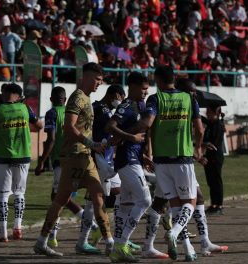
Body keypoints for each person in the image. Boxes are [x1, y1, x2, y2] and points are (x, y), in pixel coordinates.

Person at [33, 62, 114, 257]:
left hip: (84, 155)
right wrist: (91, 143)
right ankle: (42, 241)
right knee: (62, 199)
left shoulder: (86, 97)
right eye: (97, 80)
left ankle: (110, 242)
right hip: (75, 155)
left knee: (97, 196)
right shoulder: (78, 98)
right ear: (86, 77)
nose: (99, 84)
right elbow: (69, 127)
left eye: (101, 81)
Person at [130, 66, 204, 261]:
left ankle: (188, 250)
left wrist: (125, 133)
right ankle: (173, 232)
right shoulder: (189, 98)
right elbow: (200, 129)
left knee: (176, 206)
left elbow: (147, 124)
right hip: (182, 158)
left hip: (161, 161)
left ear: (159, 80)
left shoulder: (155, 99)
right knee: (191, 201)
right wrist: (198, 148)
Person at [0, 83, 43, 242]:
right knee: (19, 192)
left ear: (8, 93)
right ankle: (18, 228)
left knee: (3, 195)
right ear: (19, 96)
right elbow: (39, 125)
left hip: (3, 158)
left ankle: (3, 232)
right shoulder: (26, 109)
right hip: (23, 156)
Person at [105, 72, 150, 262]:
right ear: (132, 86)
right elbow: (110, 126)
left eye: (147, 89)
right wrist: (130, 137)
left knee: (126, 205)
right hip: (127, 160)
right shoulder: (126, 105)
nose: (145, 92)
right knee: (145, 200)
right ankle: (122, 243)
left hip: (134, 159)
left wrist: (146, 156)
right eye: (143, 89)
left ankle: (117, 248)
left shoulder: (141, 105)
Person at [34, 86, 85, 248]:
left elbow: (51, 139)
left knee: (59, 197)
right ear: (65, 99)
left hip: (60, 160)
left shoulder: (52, 113)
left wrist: (42, 160)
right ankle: (52, 236)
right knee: (57, 197)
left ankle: (89, 221)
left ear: (51, 99)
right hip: (75, 157)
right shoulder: (72, 112)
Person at [81, 84, 126, 254]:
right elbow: (89, 133)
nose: (120, 101)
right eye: (121, 97)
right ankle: (86, 240)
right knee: (95, 200)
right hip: (99, 159)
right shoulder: (98, 109)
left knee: (122, 194)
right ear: (115, 94)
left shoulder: (107, 110)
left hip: (107, 159)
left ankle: (117, 236)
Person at [201, 102, 226, 215]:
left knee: (216, 181)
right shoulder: (210, 124)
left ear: (215, 112)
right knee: (210, 181)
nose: (207, 113)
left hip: (216, 156)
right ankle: (213, 204)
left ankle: (219, 205)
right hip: (208, 155)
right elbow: (201, 119)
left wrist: (205, 143)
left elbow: (214, 143)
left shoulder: (218, 125)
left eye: (209, 112)